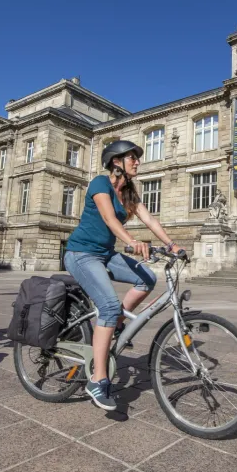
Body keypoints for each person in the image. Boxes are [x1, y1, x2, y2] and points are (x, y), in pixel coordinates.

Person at [64, 140, 183, 411]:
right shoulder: (99, 183)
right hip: (81, 254)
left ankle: (115, 322)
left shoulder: (128, 192)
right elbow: (109, 219)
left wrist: (172, 244)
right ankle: (98, 380)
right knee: (107, 304)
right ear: (116, 161)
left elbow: (149, 219)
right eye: (133, 158)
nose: (138, 162)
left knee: (148, 279)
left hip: (105, 255)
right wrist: (131, 242)